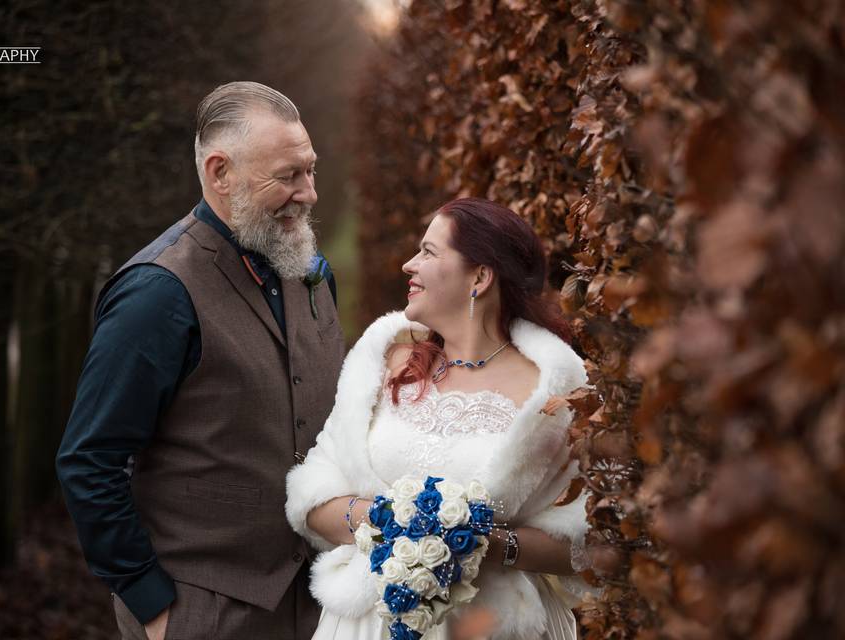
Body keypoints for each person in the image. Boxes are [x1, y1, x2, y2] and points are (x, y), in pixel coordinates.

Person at [56, 81, 345, 640]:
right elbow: (89, 460)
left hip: (319, 604)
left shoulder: (311, 270)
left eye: (311, 170)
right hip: (204, 613)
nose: (308, 192)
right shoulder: (156, 294)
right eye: (287, 176)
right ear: (220, 173)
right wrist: (151, 604)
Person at [285, 198, 595, 639]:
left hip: (492, 627)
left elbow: (589, 540)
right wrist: (389, 521)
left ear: (480, 277)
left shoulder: (553, 390)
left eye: (429, 253)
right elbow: (312, 493)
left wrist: (481, 542)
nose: (409, 265)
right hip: (370, 623)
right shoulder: (386, 362)